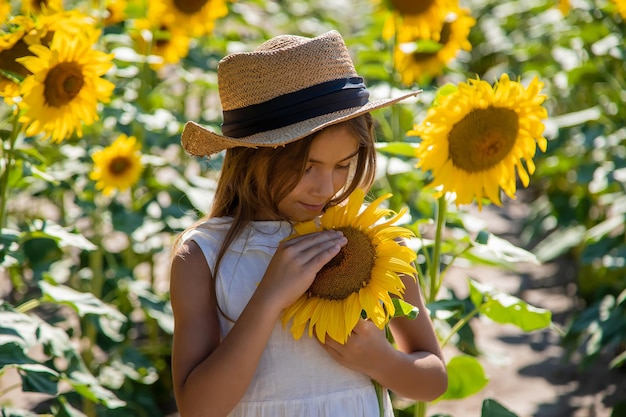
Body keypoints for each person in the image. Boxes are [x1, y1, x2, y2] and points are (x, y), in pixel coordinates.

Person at [169, 30, 448, 417]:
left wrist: (379, 360)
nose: (326, 187)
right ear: (252, 156)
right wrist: (268, 299)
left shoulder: (370, 242)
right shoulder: (203, 255)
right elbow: (198, 409)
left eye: (343, 165)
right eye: (305, 167)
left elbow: (433, 379)